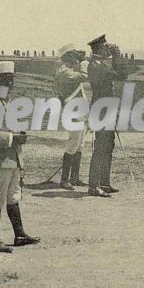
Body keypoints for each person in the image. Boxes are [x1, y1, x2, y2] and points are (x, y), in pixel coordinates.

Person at [0, 61, 40, 253]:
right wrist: (12, 137)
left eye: (12, 80)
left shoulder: (5, 102)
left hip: (13, 156)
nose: (10, 84)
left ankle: (19, 233)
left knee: (14, 196)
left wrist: (18, 132)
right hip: (0, 158)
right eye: (6, 80)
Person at [86, 35, 128, 197]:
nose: (108, 50)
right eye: (105, 47)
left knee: (108, 147)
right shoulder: (97, 67)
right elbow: (122, 74)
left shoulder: (99, 65)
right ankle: (93, 186)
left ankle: (104, 183)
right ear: (99, 49)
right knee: (100, 149)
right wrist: (117, 55)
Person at [54, 43, 90, 190]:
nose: (76, 58)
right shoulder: (64, 72)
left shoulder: (67, 70)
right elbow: (84, 76)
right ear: (67, 57)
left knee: (79, 145)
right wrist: (84, 63)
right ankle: (64, 180)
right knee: (73, 144)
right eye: (73, 55)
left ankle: (74, 178)